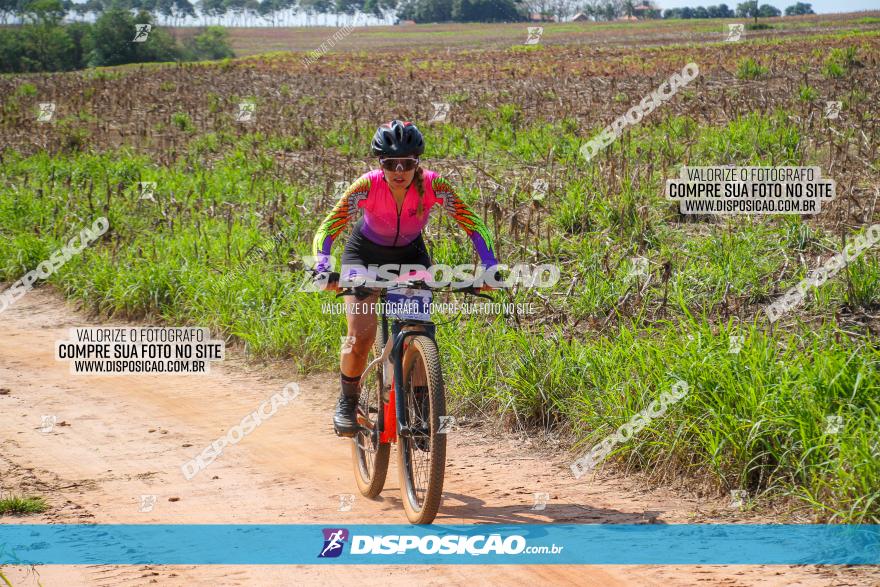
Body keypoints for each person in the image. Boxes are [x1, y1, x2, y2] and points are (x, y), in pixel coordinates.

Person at [310, 119, 499, 437]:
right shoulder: (367, 186)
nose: (399, 170)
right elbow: (328, 227)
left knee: (417, 330)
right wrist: (322, 268)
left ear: (417, 163)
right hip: (365, 257)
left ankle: (424, 411)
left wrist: (491, 266)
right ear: (380, 164)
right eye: (390, 163)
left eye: (407, 163)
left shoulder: (436, 186)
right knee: (361, 336)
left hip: (411, 257)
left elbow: (474, 224)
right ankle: (347, 401)